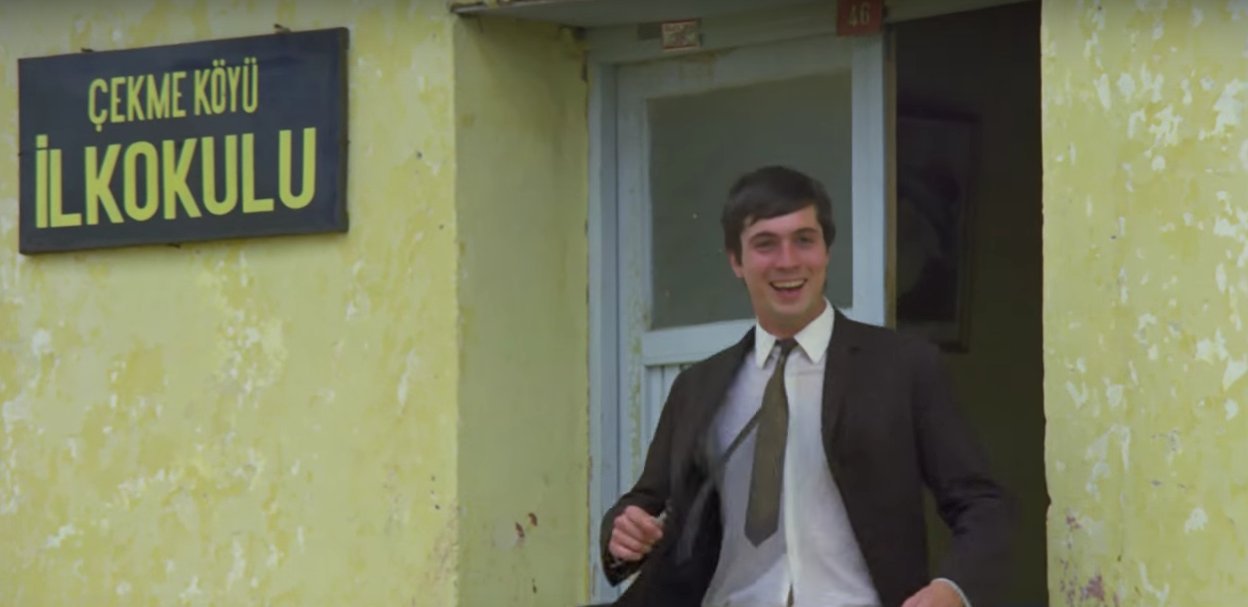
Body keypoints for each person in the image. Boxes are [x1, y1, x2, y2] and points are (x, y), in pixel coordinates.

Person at [599, 166, 1012, 607]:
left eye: (804, 240)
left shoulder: (904, 367)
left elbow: (982, 504)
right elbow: (645, 502)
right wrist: (623, 532)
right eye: (765, 244)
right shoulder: (696, 387)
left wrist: (951, 589)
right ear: (736, 261)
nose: (788, 261)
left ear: (826, 250)